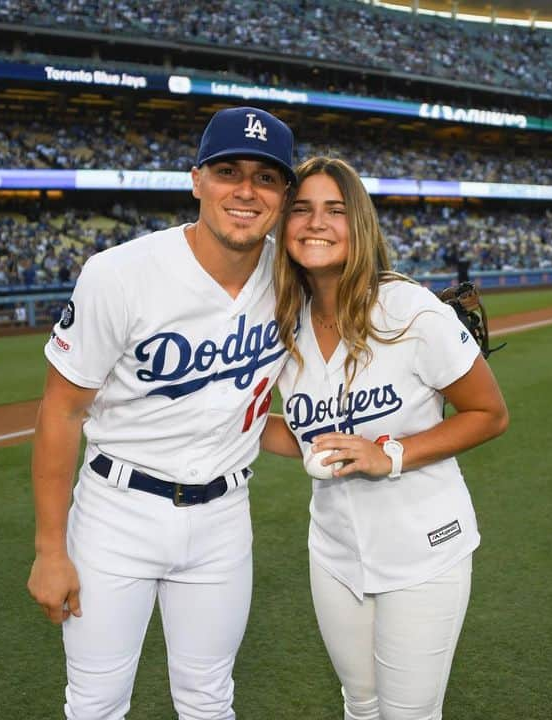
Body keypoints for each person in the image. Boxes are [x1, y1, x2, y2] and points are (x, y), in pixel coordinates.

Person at [26, 106, 296, 720]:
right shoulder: (120, 274)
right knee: (95, 705)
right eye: (228, 170)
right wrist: (49, 549)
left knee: (209, 701)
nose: (246, 191)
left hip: (225, 518)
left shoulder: (292, 277)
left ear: (283, 194)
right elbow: (61, 413)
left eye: (266, 177)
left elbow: (264, 412)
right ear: (196, 178)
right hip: (116, 514)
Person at [260, 157, 509, 720]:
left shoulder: (409, 309)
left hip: (424, 550)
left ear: (360, 225)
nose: (315, 223)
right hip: (335, 554)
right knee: (360, 705)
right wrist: (228, 423)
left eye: (335, 210)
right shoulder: (282, 321)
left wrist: (388, 454)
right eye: (301, 209)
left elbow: (489, 413)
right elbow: (305, 437)